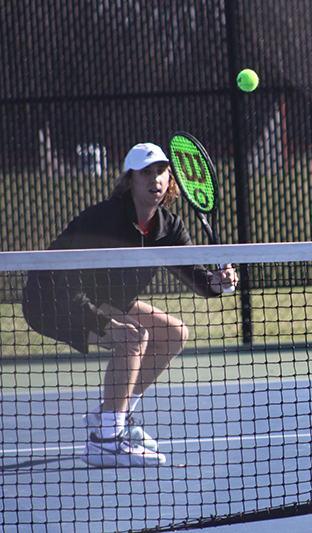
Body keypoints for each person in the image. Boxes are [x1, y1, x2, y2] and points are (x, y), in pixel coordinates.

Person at [22, 143, 238, 468]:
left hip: (103, 297)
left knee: (174, 333)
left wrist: (216, 283)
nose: (155, 179)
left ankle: (110, 414)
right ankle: (107, 440)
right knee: (133, 339)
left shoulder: (168, 227)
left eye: (161, 171)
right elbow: (64, 280)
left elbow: (197, 278)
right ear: (130, 181)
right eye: (146, 172)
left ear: (170, 179)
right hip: (51, 299)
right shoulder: (104, 220)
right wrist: (103, 323)